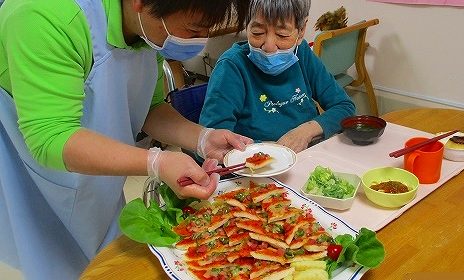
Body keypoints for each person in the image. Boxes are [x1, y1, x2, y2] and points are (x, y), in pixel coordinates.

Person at [0, 0, 251, 279]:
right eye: (193, 30)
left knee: (107, 255)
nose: (200, 42)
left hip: (100, 172)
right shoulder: (45, 15)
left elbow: (149, 108)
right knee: (58, 261)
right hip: (39, 175)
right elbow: (52, 138)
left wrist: (203, 138)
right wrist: (157, 161)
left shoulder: (146, 29)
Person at [199, 0, 356, 153]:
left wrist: (305, 131)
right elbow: (215, 143)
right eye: (257, 32)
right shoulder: (232, 66)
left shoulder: (302, 53)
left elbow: (344, 107)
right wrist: (274, 150)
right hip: (256, 168)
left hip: (307, 156)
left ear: (301, 31)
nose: (268, 46)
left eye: (282, 35)